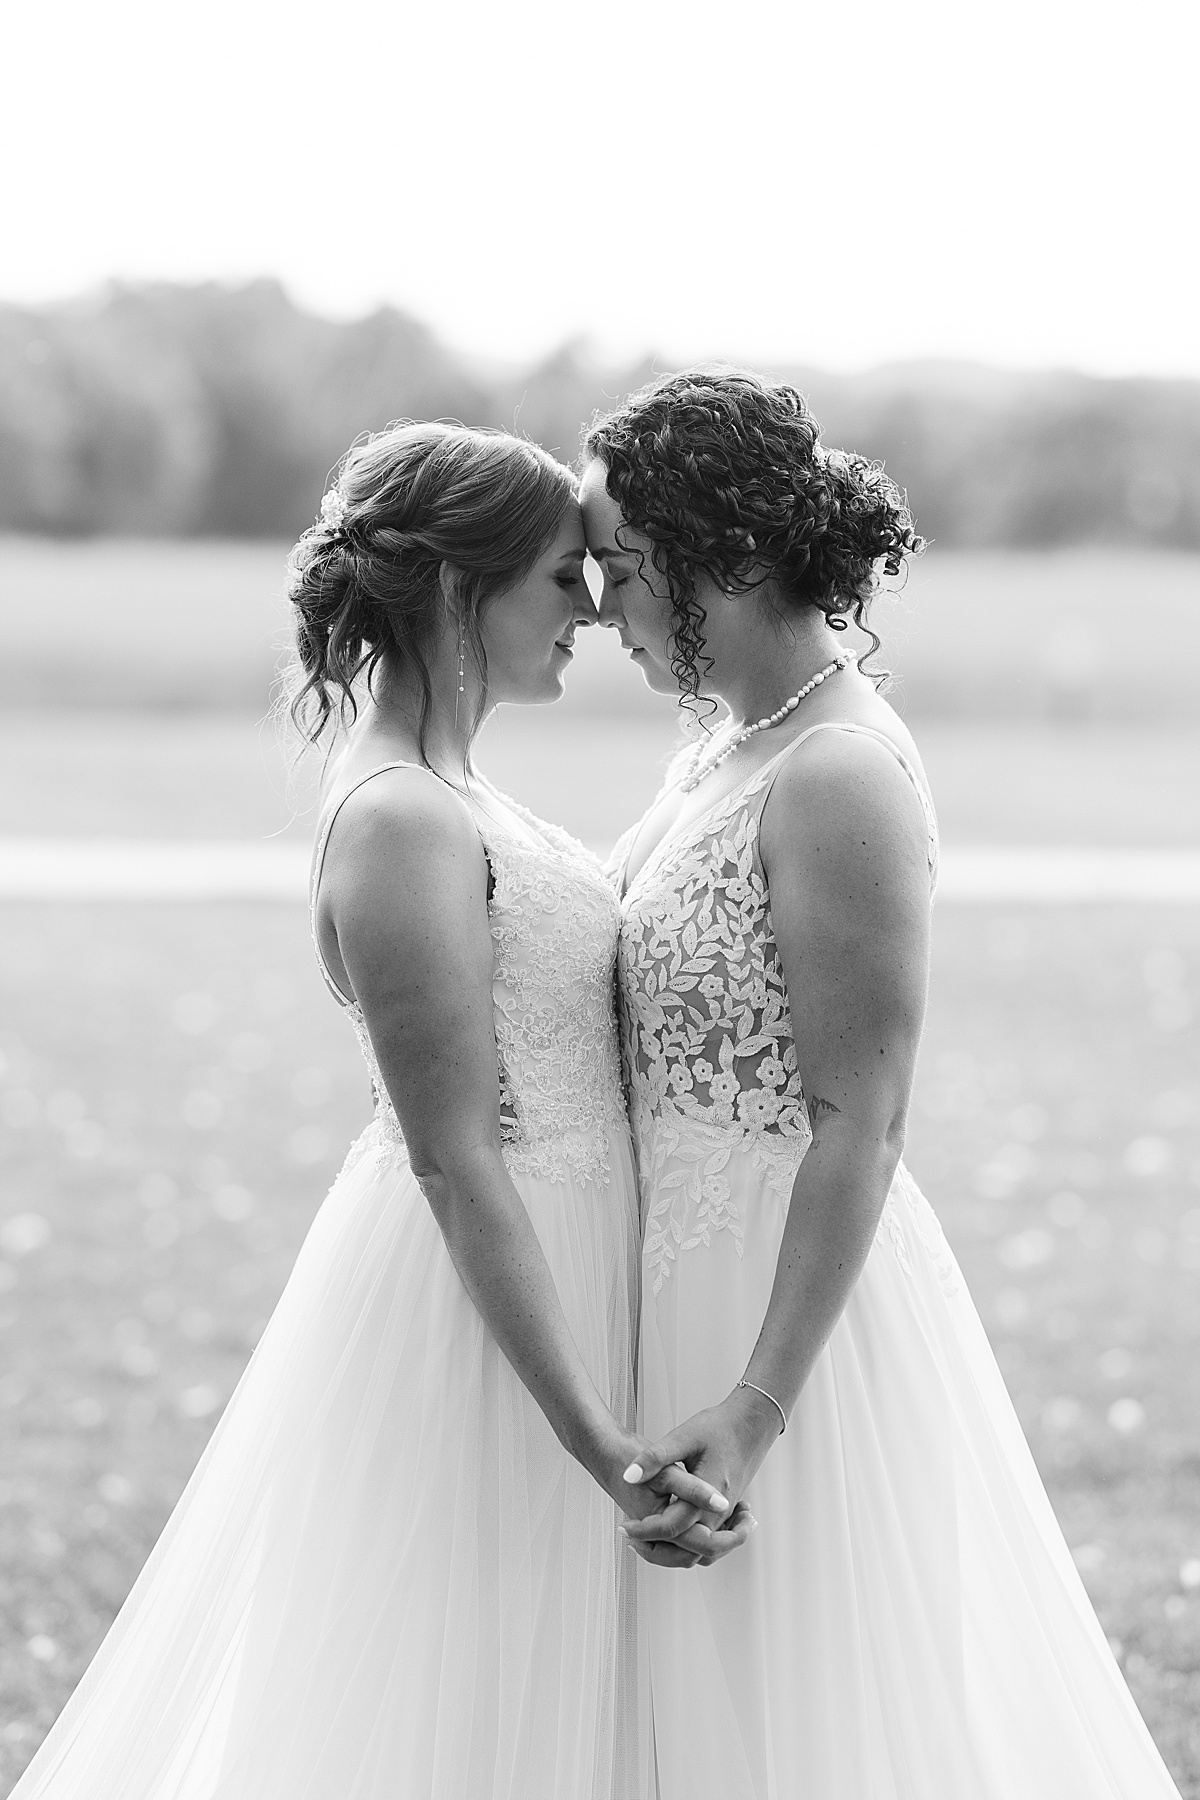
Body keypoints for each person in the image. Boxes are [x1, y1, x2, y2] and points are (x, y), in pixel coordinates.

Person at [11, 420, 745, 1800]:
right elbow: (457, 1156)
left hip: (569, 1253)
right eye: (557, 578)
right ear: (457, 590)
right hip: (487, 1293)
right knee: (456, 1697)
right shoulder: (405, 819)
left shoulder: (459, 793)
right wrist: (593, 1433)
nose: (590, 607)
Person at [581, 370, 1184, 1799]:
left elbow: (867, 1116)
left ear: (711, 549)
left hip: (781, 1315)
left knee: (794, 1721)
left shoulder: (840, 772)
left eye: (617, 563)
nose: (600, 603)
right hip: (668, 1274)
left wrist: (756, 1405)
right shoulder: (734, 740)